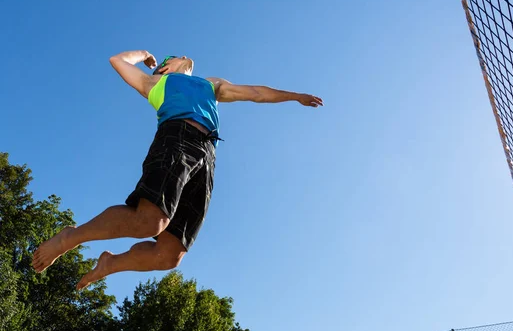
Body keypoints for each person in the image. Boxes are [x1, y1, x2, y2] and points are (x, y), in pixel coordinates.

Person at [32, 50, 323, 290]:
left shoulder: (212, 85)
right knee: (150, 222)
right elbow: (116, 61)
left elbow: (257, 93)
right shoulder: (154, 84)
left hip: (208, 155)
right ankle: (71, 237)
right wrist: (145, 55)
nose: (182, 57)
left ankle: (111, 264)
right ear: (164, 68)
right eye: (167, 61)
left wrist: (295, 95)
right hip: (177, 138)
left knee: (169, 255)